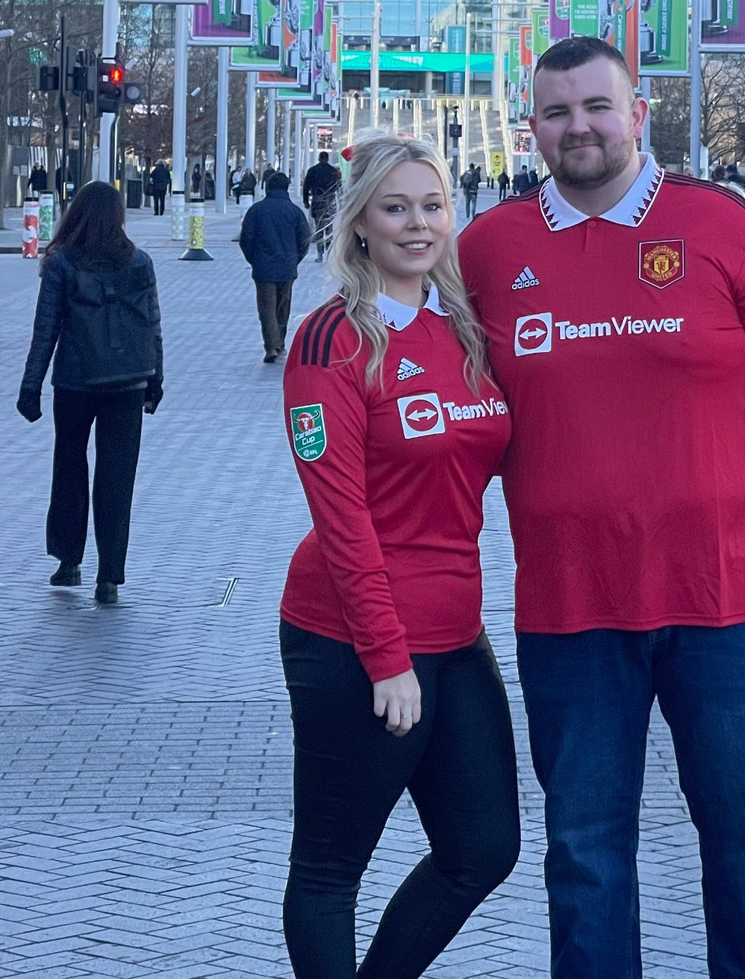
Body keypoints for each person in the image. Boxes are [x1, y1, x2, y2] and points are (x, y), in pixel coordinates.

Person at [457, 36, 745, 979]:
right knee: (584, 857)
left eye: (596, 106)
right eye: (556, 111)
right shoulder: (487, 250)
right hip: (570, 605)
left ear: (638, 114)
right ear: (533, 127)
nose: (577, 126)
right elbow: (434, 384)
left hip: (729, 598)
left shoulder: (726, 230)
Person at [279, 131, 519, 978]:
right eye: (395, 208)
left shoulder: (469, 330)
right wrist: (386, 657)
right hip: (354, 640)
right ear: (359, 226)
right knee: (329, 870)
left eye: (432, 205)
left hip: (456, 631)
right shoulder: (330, 342)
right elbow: (340, 516)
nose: (418, 225)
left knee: (484, 849)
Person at [16, 181, 163, 605]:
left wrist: (31, 387)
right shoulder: (139, 262)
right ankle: (110, 576)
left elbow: (46, 328)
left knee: (69, 467)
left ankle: (68, 560)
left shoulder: (61, 263)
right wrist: (155, 380)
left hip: (76, 380)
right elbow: (152, 325)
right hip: (128, 381)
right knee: (118, 475)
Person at [239, 172, 310, 363]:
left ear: (267, 187)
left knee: (266, 307)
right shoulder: (295, 212)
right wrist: (295, 260)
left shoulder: (256, 210)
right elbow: (305, 240)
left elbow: (246, 239)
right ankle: (279, 344)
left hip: (263, 268)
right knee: (283, 306)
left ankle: (271, 345)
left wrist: (253, 259)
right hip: (287, 267)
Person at [302, 150, 343, 263]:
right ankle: (329, 253)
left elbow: (306, 187)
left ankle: (320, 254)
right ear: (327, 159)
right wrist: (342, 202)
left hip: (317, 202)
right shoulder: (334, 171)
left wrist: (306, 201)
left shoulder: (312, 171)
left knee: (319, 228)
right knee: (329, 228)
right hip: (330, 202)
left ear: (319, 158)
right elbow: (339, 188)